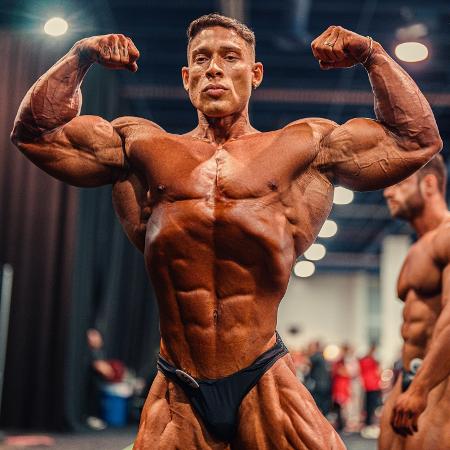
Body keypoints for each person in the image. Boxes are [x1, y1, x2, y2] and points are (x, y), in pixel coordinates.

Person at [10, 12, 441, 449]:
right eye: (201, 59)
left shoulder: (303, 147)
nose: (214, 68)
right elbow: (35, 135)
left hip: (262, 375)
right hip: (179, 385)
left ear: (255, 74)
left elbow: (416, 140)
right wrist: (80, 56)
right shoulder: (140, 147)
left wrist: (372, 54)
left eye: (230, 57)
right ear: (186, 78)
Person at [380, 155, 450, 450]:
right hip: (409, 380)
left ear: (429, 184)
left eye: (400, 183)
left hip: (438, 383)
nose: (388, 191)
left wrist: (421, 388)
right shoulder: (416, 249)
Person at [359, 344, 381, 438]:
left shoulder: (366, 360)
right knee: (370, 407)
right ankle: (369, 425)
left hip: (369, 385)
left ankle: (368, 424)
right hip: (371, 386)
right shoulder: (370, 361)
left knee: (369, 407)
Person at [306, 341, 331, 415]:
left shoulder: (317, 356)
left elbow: (307, 361)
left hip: (319, 385)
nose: (309, 349)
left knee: (317, 404)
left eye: (310, 347)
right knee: (323, 405)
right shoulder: (322, 356)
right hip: (324, 384)